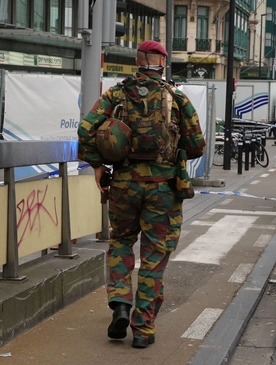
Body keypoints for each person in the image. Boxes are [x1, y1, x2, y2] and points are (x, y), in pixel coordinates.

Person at [78, 40, 206, 349]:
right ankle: (143, 329)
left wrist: (97, 165)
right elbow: (197, 145)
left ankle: (120, 303)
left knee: (121, 243)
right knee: (153, 256)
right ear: (162, 63)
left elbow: (85, 130)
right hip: (163, 190)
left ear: (137, 61)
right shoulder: (177, 98)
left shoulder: (116, 94)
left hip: (123, 185)